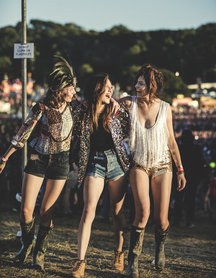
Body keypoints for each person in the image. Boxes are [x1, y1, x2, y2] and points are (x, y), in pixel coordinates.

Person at [0, 56, 77, 271]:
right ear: (59, 89)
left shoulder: (76, 108)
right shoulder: (40, 107)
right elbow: (22, 133)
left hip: (61, 162)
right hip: (37, 158)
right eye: (71, 88)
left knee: (46, 211)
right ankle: (26, 245)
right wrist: (5, 157)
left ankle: (39, 254)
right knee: (26, 210)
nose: (74, 91)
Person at [118, 64, 187, 277]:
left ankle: (159, 250)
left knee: (162, 219)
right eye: (136, 82)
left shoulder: (166, 108)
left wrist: (180, 170)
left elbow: (172, 141)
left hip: (163, 165)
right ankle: (133, 262)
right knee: (143, 213)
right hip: (138, 164)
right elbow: (105, 104)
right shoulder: (128, 103)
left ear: (152, 85)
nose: (137, 86)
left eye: (141, 83)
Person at [70, 74, 130, 277]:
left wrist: (115, 101)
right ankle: (80, 261)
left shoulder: (116, 110)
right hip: (94, 162)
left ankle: (119, 253)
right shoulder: (82, 110)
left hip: (116, 163)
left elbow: (132, 116)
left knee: (116, 212)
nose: (110, 90)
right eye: (107, 87)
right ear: (96, 89)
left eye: (112, 87)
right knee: (88, 211)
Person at [173, 129, 205, 227]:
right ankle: (189, 220)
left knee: (178, 198)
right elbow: (201, 163)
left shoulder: (179, 148)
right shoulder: (197, 149)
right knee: (191, 199)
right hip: (193, 177)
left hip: (179, 176)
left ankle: (177, 220)